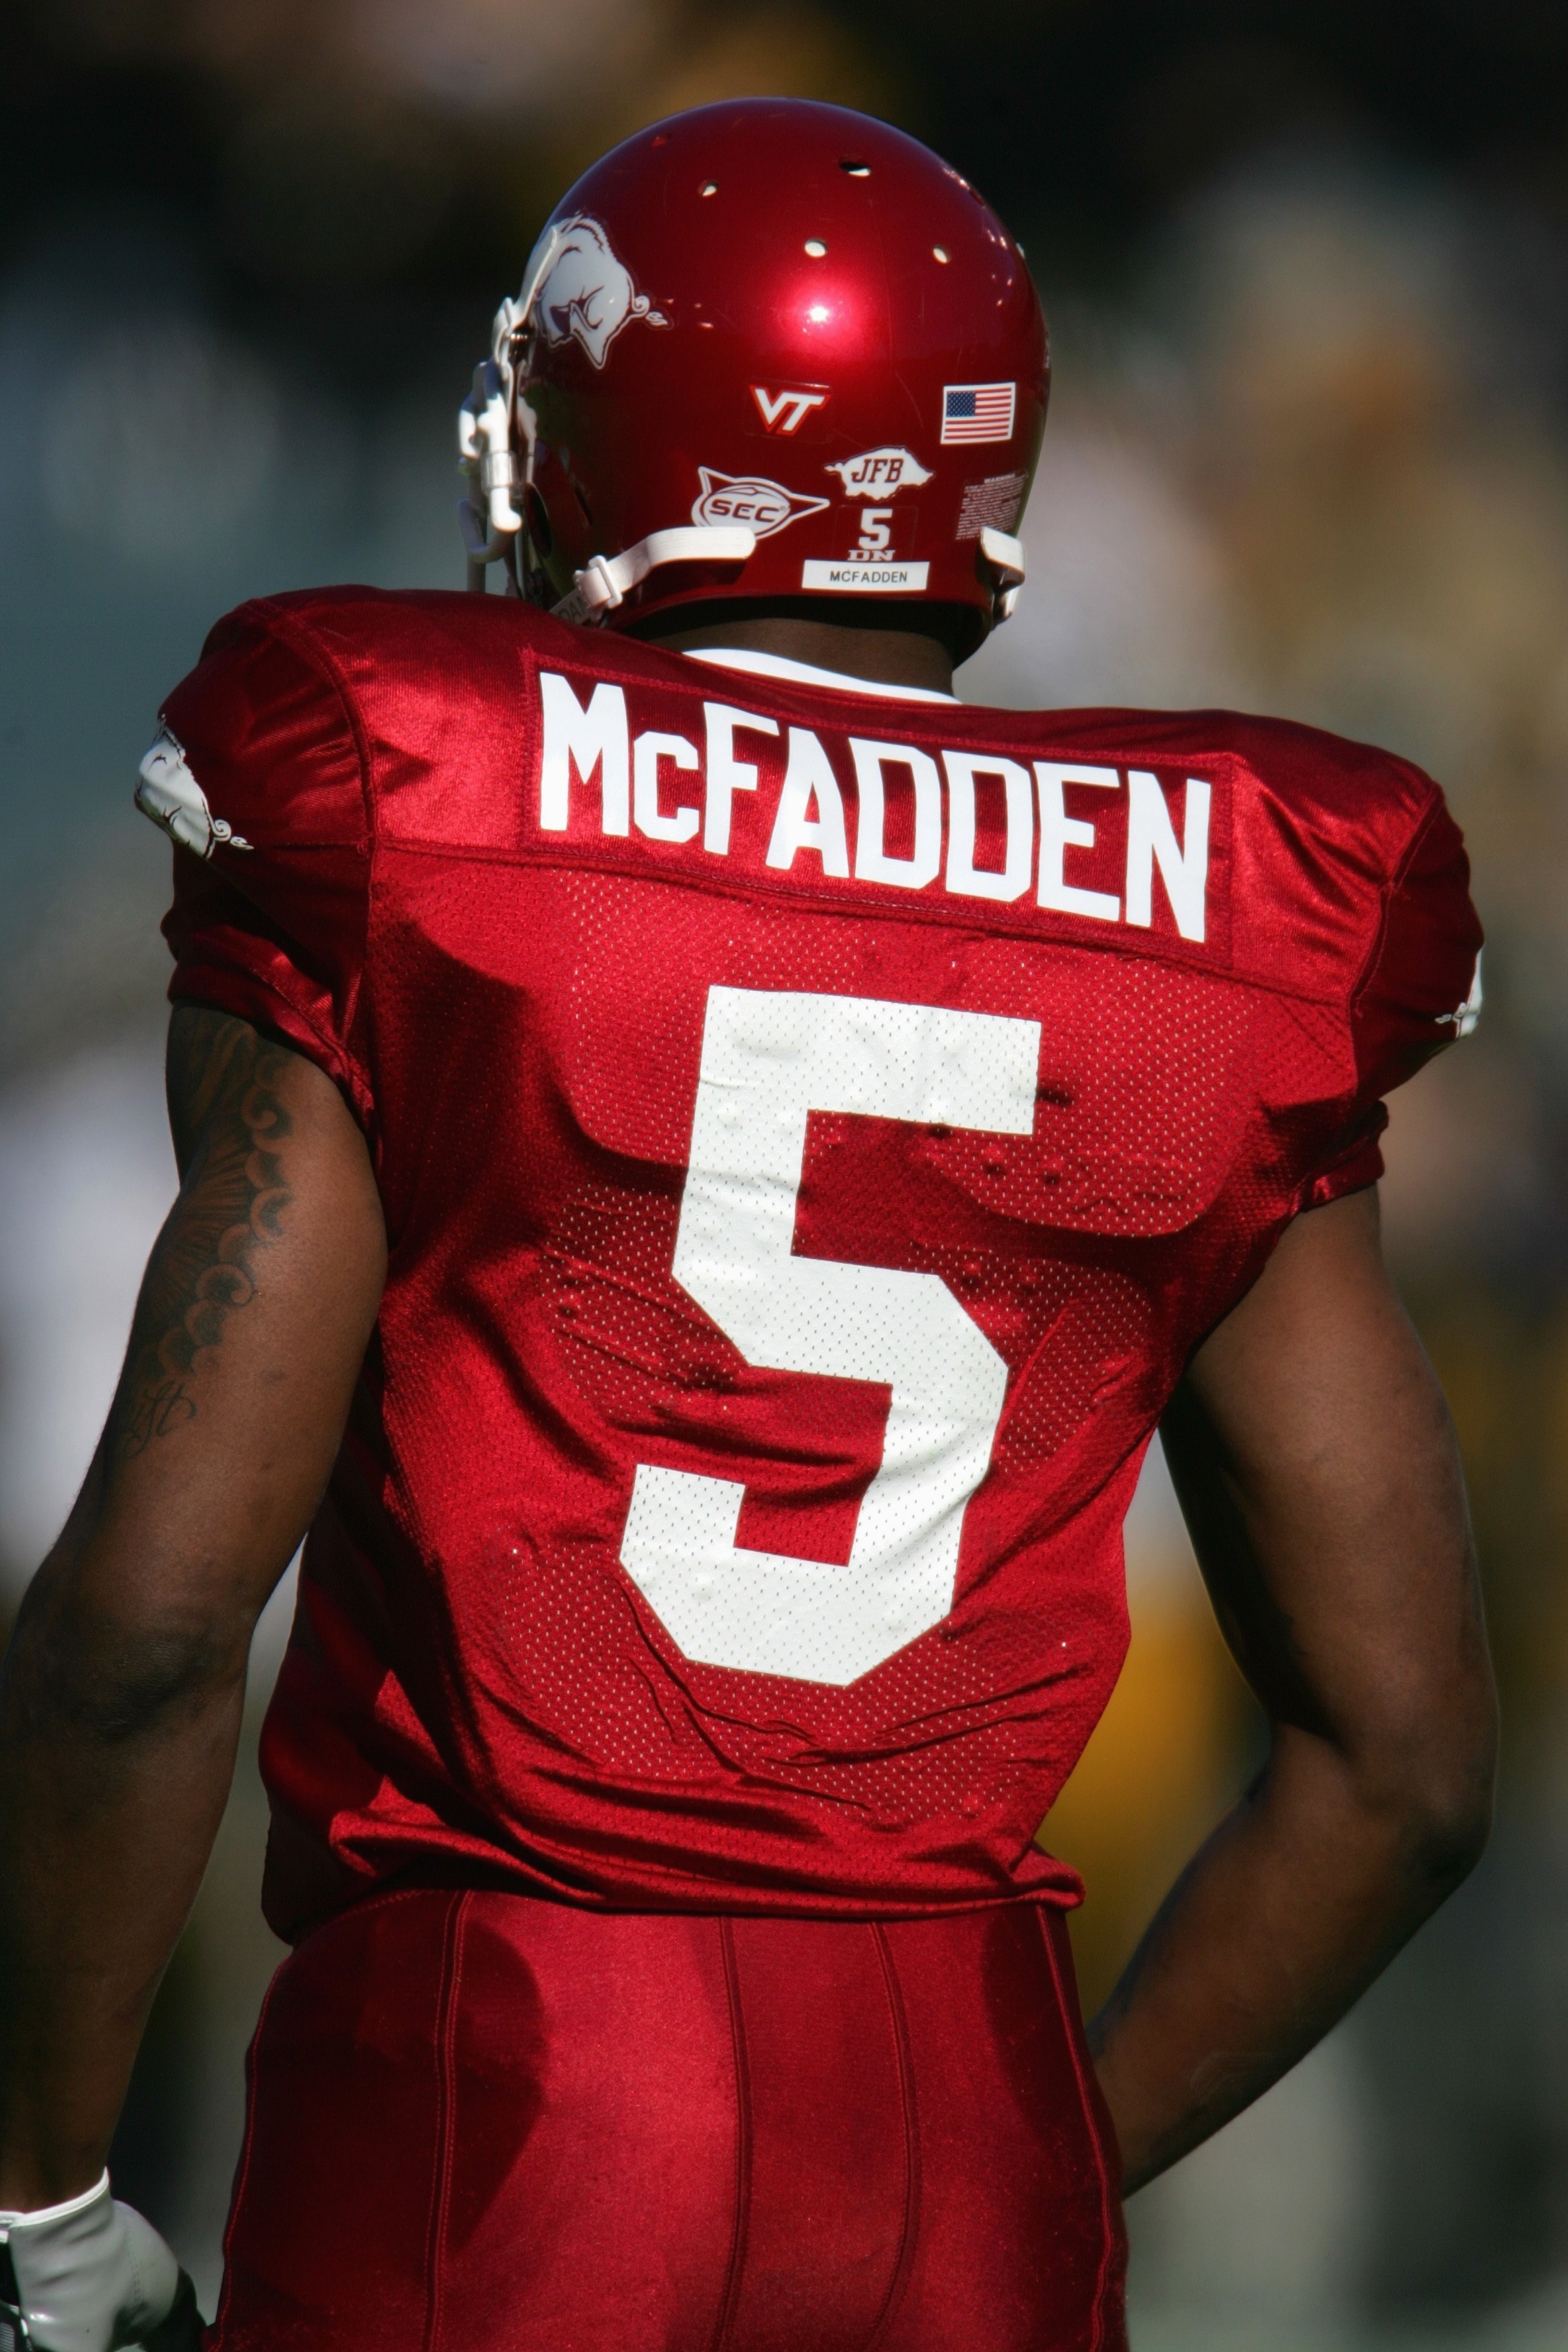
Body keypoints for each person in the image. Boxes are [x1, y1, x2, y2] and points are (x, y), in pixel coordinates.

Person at [0, 97, 1496, 2352]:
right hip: (963, 2102)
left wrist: (45, 2199)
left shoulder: (420, 790)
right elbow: (1406, 1762)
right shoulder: (1229, 914)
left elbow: (145, 1623)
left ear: (615, 437)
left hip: (509, 2073)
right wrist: (1041, 2163)